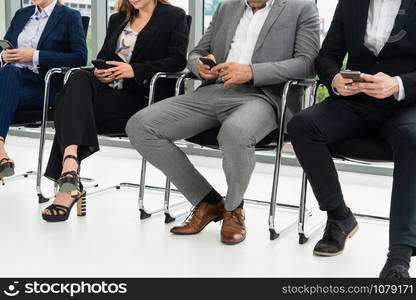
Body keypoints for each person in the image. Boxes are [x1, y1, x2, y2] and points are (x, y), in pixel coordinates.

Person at [126, 0, 320, 245]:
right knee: (140, 126)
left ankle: (233, 209)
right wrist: (199, 66)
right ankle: (207, 201)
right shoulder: (226, 7)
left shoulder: (300, 8)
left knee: (235, 132)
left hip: (263, 96)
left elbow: (307, 63)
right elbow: (196, 52)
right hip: (214, 91)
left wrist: (251, 71)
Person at [287, 0, 416, 278]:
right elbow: (327, 55)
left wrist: (398, 84)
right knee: (302, 125)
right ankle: (339, 216)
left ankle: (399, 256)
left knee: (412, 137)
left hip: (407, 105)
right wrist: (334, 78)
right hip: (357, 103)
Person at [41, 0, 189, 222]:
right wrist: (100, 72)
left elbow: (177, 61)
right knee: (79, 77)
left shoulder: (173, 16)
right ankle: (70, 164)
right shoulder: (118, 19)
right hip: (108, 92)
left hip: (143, 98)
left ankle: (68, 185)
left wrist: (134, 70)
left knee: (70, 108)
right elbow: (104, 56)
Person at [0, 0, 87, 184]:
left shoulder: (70, 16)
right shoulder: (22, 14)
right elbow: (5, 47)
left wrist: (35, 55)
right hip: (11, 80)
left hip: (43, 86)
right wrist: (3, 55)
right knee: (10, 71)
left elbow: (79, 57)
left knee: (10, 72)